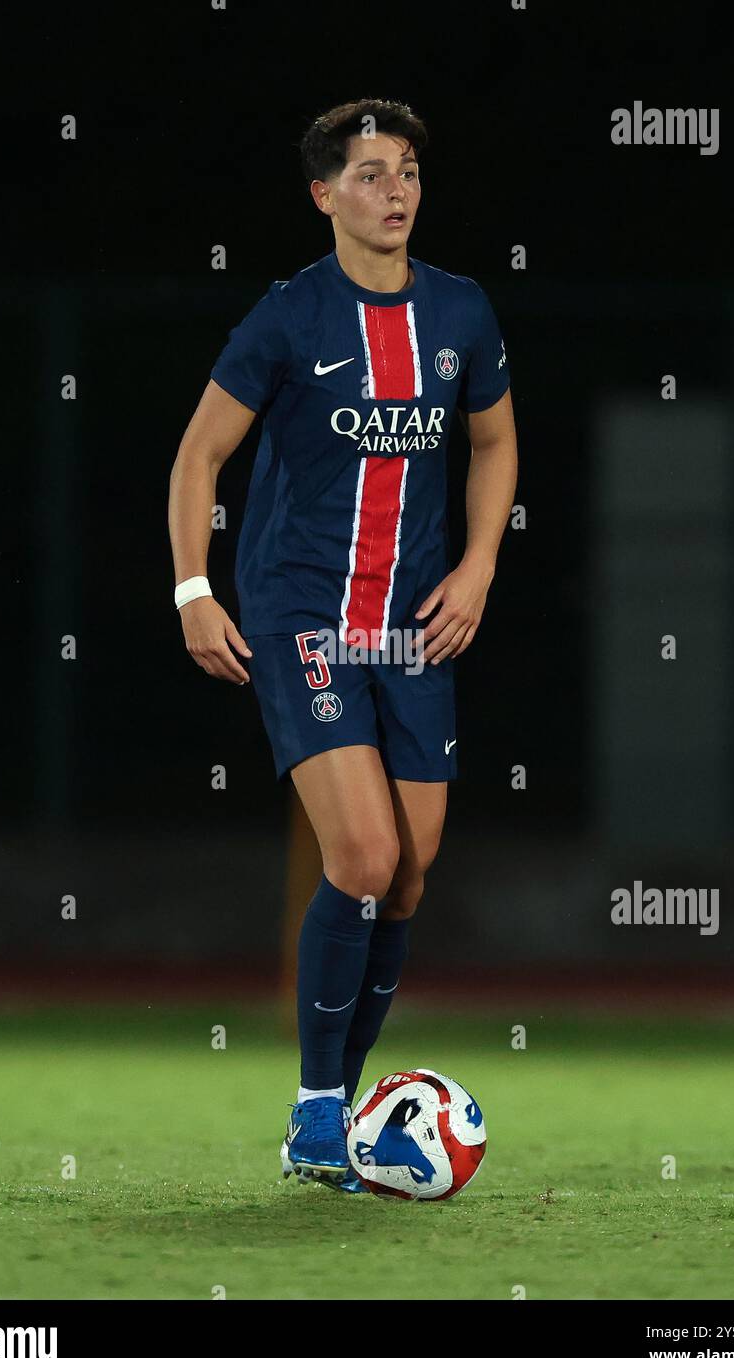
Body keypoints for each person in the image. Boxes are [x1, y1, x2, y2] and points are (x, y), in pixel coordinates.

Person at [168, 98, 517, 1193]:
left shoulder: (459, 310)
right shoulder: (288, 318)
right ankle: (318, 1108)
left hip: (414, 626)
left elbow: (496, 441)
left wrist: (477, 567)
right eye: (369, 174)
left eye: (407, 169)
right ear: (324, 195)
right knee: (361, 860)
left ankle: (346, 1110)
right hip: (303, 613)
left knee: (407, 880)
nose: (394, 190)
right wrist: (191, 589)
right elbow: (196, 461)